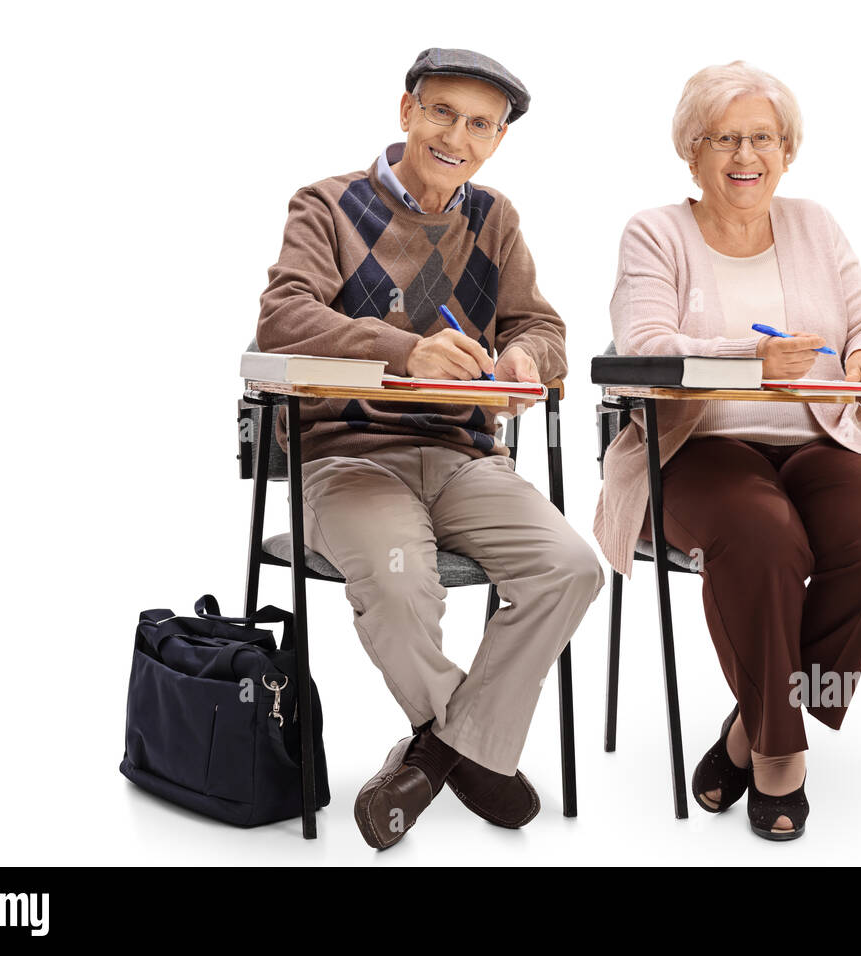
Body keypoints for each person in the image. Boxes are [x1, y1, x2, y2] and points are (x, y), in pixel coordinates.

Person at [256, 47, 605, 850]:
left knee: (570, 567)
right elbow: (284, 317)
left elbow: (540, 326)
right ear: (407, 111)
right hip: (348, 454)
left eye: (481, 124)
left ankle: (436, 756)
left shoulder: (495, 217)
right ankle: (475, 754)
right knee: (399, 579)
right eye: (443, 112)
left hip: (464, 459)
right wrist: (403, 352)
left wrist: (528, 361)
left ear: (496, 141)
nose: (458, 135)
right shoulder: (327, 204)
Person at [592, 61, 861, 841]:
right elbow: (644, 346)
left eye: (764, 139)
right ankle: (778, 751)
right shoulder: (656, 232)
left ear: (787, 150)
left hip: (818, 433)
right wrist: (747, 358)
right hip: (699, 441)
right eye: (726, 138)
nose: (747, 155)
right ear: (692, 151)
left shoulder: (814, 224)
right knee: (761, 533)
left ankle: (749, 721)